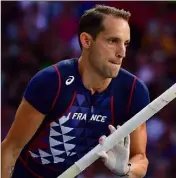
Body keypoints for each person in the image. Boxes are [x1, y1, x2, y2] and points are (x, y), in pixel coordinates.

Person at [2, 4, 150, 178]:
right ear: (86, 40)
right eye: (113, 41)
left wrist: (127, 170)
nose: (122, 53)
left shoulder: (134, 91)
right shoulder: (51, 82)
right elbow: (10, 150)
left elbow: (140, 158)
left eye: (125, 43)